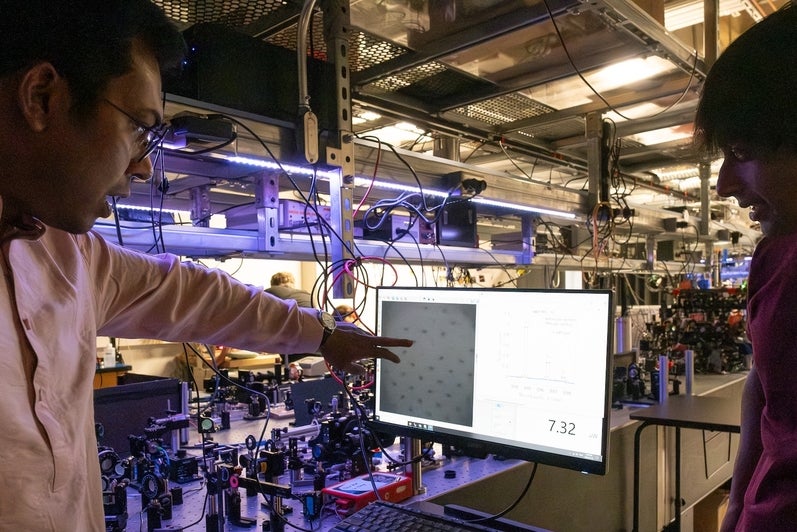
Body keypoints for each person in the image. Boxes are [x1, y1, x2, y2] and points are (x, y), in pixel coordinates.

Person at [0, 2, 412, 529]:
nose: (143, 165)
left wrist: (323, 333)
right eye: (138, 127)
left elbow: (193, 293)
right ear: (42, 98)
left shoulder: (66, 255)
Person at [693, 4, 797, 530]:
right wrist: (737, 500)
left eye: (743, 151)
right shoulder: (777, 255)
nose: (725, 186)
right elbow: (767, 377)